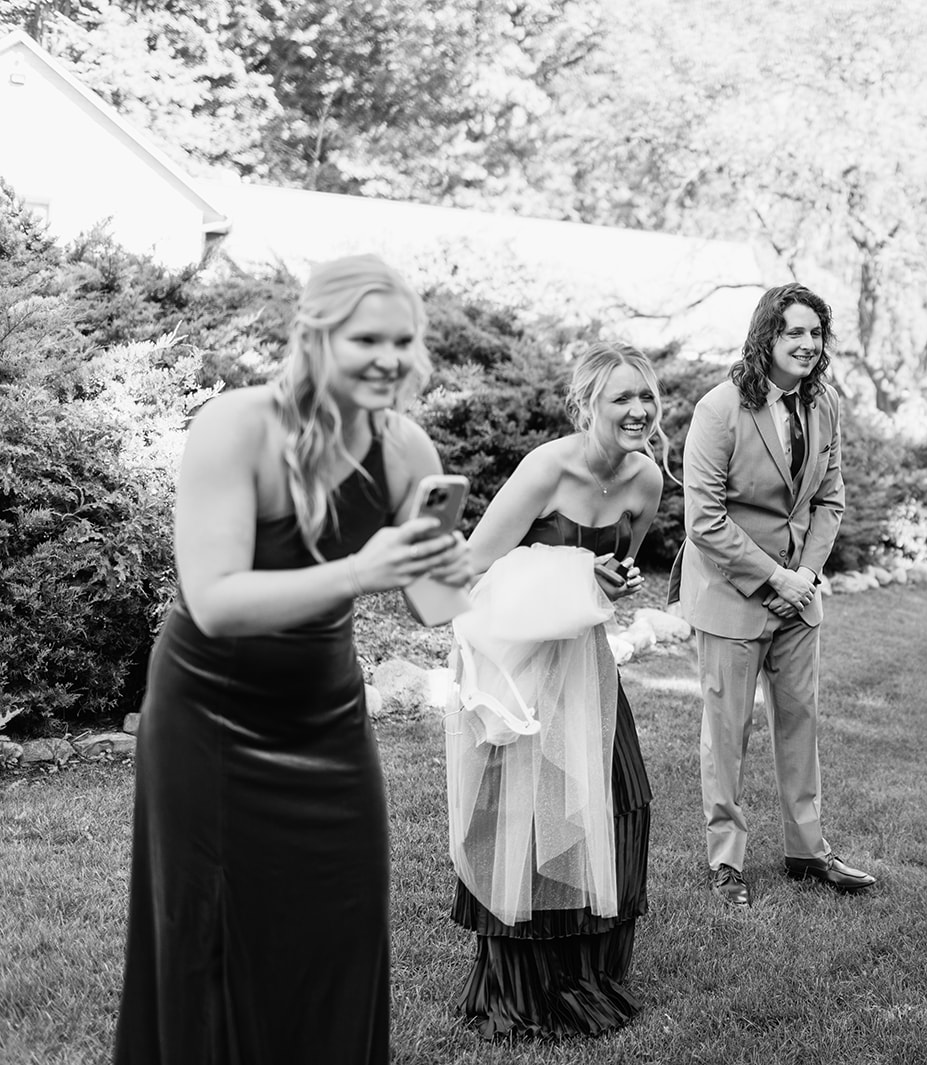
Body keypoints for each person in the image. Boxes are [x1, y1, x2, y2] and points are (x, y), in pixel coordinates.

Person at [114, 255, 474, 1064]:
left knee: (338, 931)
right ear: (315, 336)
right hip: (210, 717)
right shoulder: (236, 426)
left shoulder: (403, 446)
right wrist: (359, 571)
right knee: (216, 937)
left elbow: (437, 604)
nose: (390, 357)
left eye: (404, 340)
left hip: (327, 720)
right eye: (367, 338)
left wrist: (457, 571)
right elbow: (214, 599)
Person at [448, 341, 664, 1038]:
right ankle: (521, 988)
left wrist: (618, 583)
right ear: (587, 405)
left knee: (616, 800)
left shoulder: (647, 481)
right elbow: (476, 563)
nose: (637, 410)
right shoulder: (547, 466)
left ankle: (587, 974)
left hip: (588, 665)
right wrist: (566, 575)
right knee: (523, 817)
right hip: (523, 662)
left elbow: (615, 574)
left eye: (645, 396)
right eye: (621, 397)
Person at [671, 282, 874, 908]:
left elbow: (828, 500)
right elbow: (703, 519)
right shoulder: (719, 409)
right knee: (726, 731)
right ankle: (726, 861)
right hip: (732, 595)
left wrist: (805, 578)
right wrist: (773, 577)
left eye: (816, 333)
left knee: (801, 725)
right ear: (767, 337)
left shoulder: (826, 405)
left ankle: (807, 851)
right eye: (794, 332)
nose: (808, 344)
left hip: (798, 599)